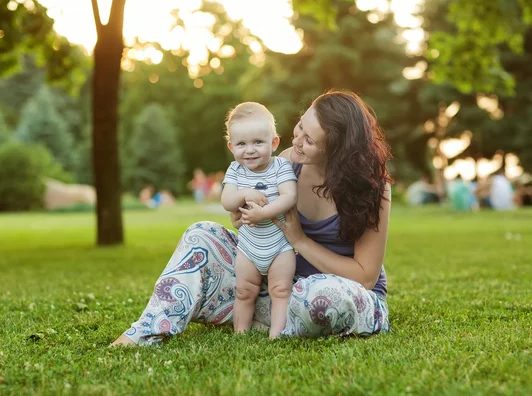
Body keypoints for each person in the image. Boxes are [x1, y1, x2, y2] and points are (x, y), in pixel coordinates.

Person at [110, 90, 392, 347]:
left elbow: (365, 277)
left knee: (321, 296)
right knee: (202, 234)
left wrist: (300, 240)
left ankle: (271, 321)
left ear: (337, 151)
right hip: (281, 287)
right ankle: (147, 331)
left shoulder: (373, 188)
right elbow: (256, 217)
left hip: (340, 295)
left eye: (309, 140)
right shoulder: (287, 162)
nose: (297, 140)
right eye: (301, 126)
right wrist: (245, 217)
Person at [220, 102, 297, 339]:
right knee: (244, 291)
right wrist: (243, 194)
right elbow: (227, 201)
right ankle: (240, 333)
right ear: (231, 146)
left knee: (281, 290)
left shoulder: (280, 167)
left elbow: (289, 196)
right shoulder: (235, 171)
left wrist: (264, 213)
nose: (250, 150)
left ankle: (277, 334)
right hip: (249, 247)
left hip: (280, 246)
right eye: (242, 144)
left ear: (273, 143)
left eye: (258, 142)